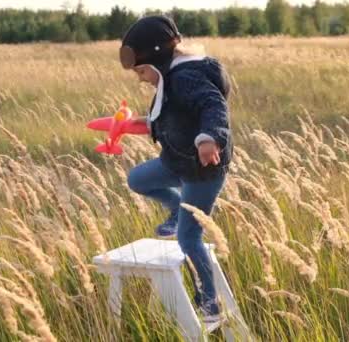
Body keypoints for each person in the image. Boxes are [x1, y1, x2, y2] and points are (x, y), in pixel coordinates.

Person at [120, 16, 233, 323]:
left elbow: (213, 105)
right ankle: (174, 210)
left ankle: (210, 304)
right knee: (137, 179)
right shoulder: (169, 78)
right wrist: (127, 126)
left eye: (142, 70)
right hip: (176, 161)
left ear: (157, 59)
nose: (141, 78)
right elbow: (165, 120)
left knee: (188, 238)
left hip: (202, 169)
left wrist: (209, 139)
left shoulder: (186, 77)